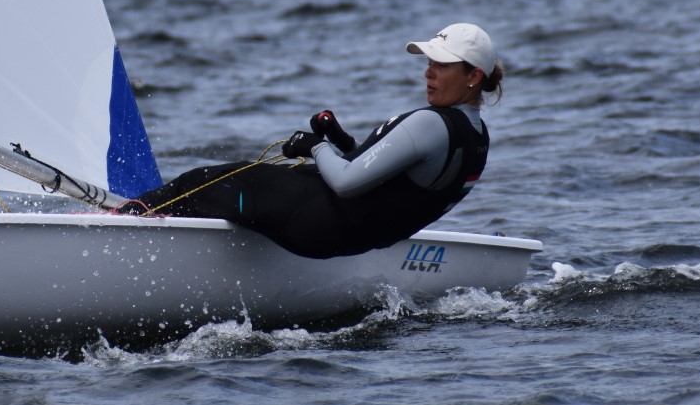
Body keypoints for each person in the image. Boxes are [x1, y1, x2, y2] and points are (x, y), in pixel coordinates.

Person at [117, 23, 503, 259]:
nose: (428, 72)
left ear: (473, 76)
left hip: (315, 219)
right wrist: (340, 141)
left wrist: (314, 148)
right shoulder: (477, 138)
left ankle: (118, 227)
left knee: (200, 182)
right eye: (429, 62)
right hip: (348, 239)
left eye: (441, 65)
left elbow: (349, 183)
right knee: (216, 188)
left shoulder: (430, 124)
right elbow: (390, 183)